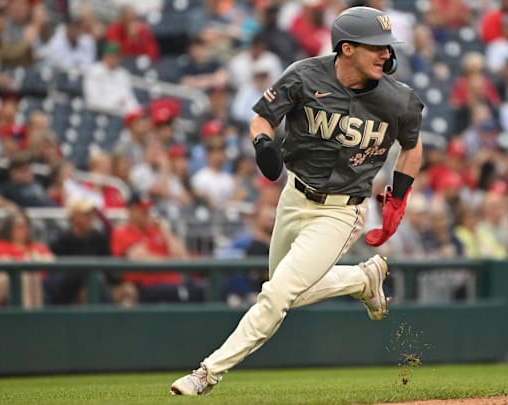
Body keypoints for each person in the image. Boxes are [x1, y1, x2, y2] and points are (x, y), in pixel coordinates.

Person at [171, 6, 423, 395]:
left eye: (387, 48)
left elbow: (412, 145)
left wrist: (399, 197)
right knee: (287, 289)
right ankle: (361, 278)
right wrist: (262, 143)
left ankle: (207, 373)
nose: (385, 55)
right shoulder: (305, 75)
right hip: (295, 196)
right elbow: (262, 117)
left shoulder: (398, 100)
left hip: (342, 209)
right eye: (375, 47)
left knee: (276, 295)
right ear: (346, 48)